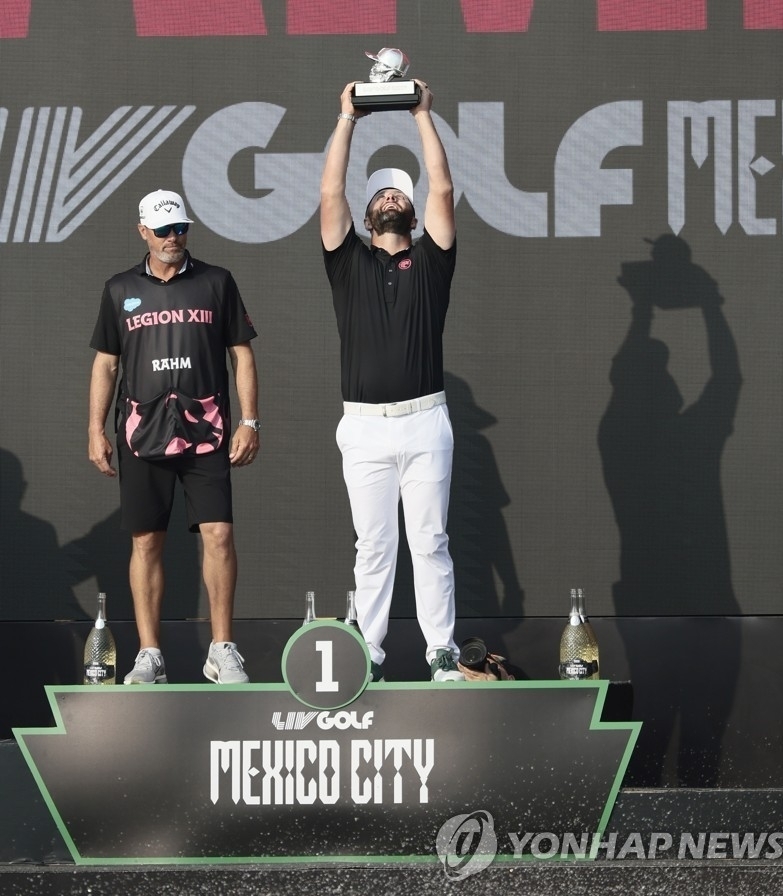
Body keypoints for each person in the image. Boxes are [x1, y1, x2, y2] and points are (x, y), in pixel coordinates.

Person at [320, 81, 464, 683]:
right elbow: (331, 191)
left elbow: (443, 188)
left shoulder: (432, 260)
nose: (388, 197)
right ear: (367, 214)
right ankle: (369, 652)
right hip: (363, 427)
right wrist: (347, 117)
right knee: (374, 546)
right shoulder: (347, 262)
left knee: (429, 542)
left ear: (410, 210)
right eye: (379, 192)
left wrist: (422, 114)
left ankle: (441, 652)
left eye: (398, 192)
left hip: (425, 420)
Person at [88, 189, 260, 685]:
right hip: (142, 431)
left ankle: (222, 650)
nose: (173, 238)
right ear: (143, 230)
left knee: (219, 534)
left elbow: (241, 354)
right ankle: (150, 656)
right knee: (146, 542)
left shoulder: (216, 281)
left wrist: (250, 421)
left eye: (180, 228)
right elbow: (106, 364)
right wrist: (95, 429)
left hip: (206, 429)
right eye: (163, 230)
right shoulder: (120, 289)